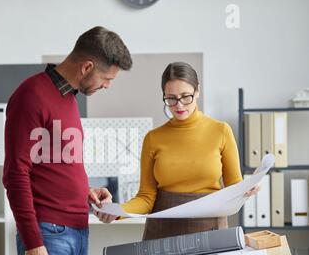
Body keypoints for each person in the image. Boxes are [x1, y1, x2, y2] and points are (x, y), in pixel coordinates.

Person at [2, 26, 132, 255]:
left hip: (78, 232)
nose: (107, 85)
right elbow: (16, 174)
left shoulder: (69, 98)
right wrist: (33, 242)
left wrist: (86, 194)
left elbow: (53, 166)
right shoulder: (31, 96)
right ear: (86, 67)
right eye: (107, 78)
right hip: (48, 235)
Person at [95, 61, 259, 239]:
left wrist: (245, 191)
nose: (179, 105)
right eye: (171, 98)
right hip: (162, 233)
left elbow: (234, 186)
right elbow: (146, 197)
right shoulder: (153, 138)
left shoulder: (221, 131)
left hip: (210, 231)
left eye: (185, 96)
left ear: (197, 91)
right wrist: (118, 211)